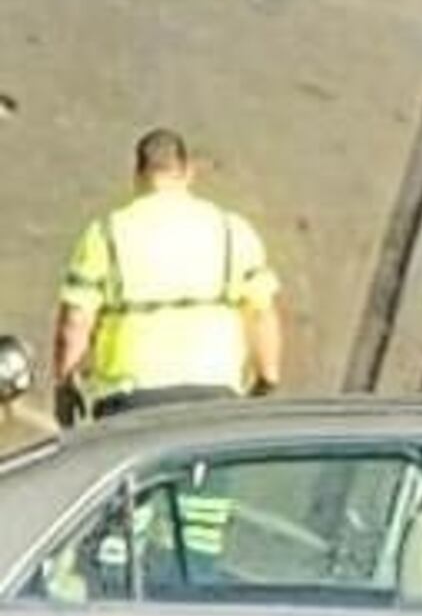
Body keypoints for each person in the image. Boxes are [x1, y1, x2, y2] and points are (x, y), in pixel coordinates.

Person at [52, 129, 282, 424]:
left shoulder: (105, 234)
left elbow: (75, 322)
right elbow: (261, 314)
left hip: (130, 398)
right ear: (188, 173)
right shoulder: (232, 231)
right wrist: (267, 379)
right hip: (214, 395)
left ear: (137, 174)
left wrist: (65, 383)